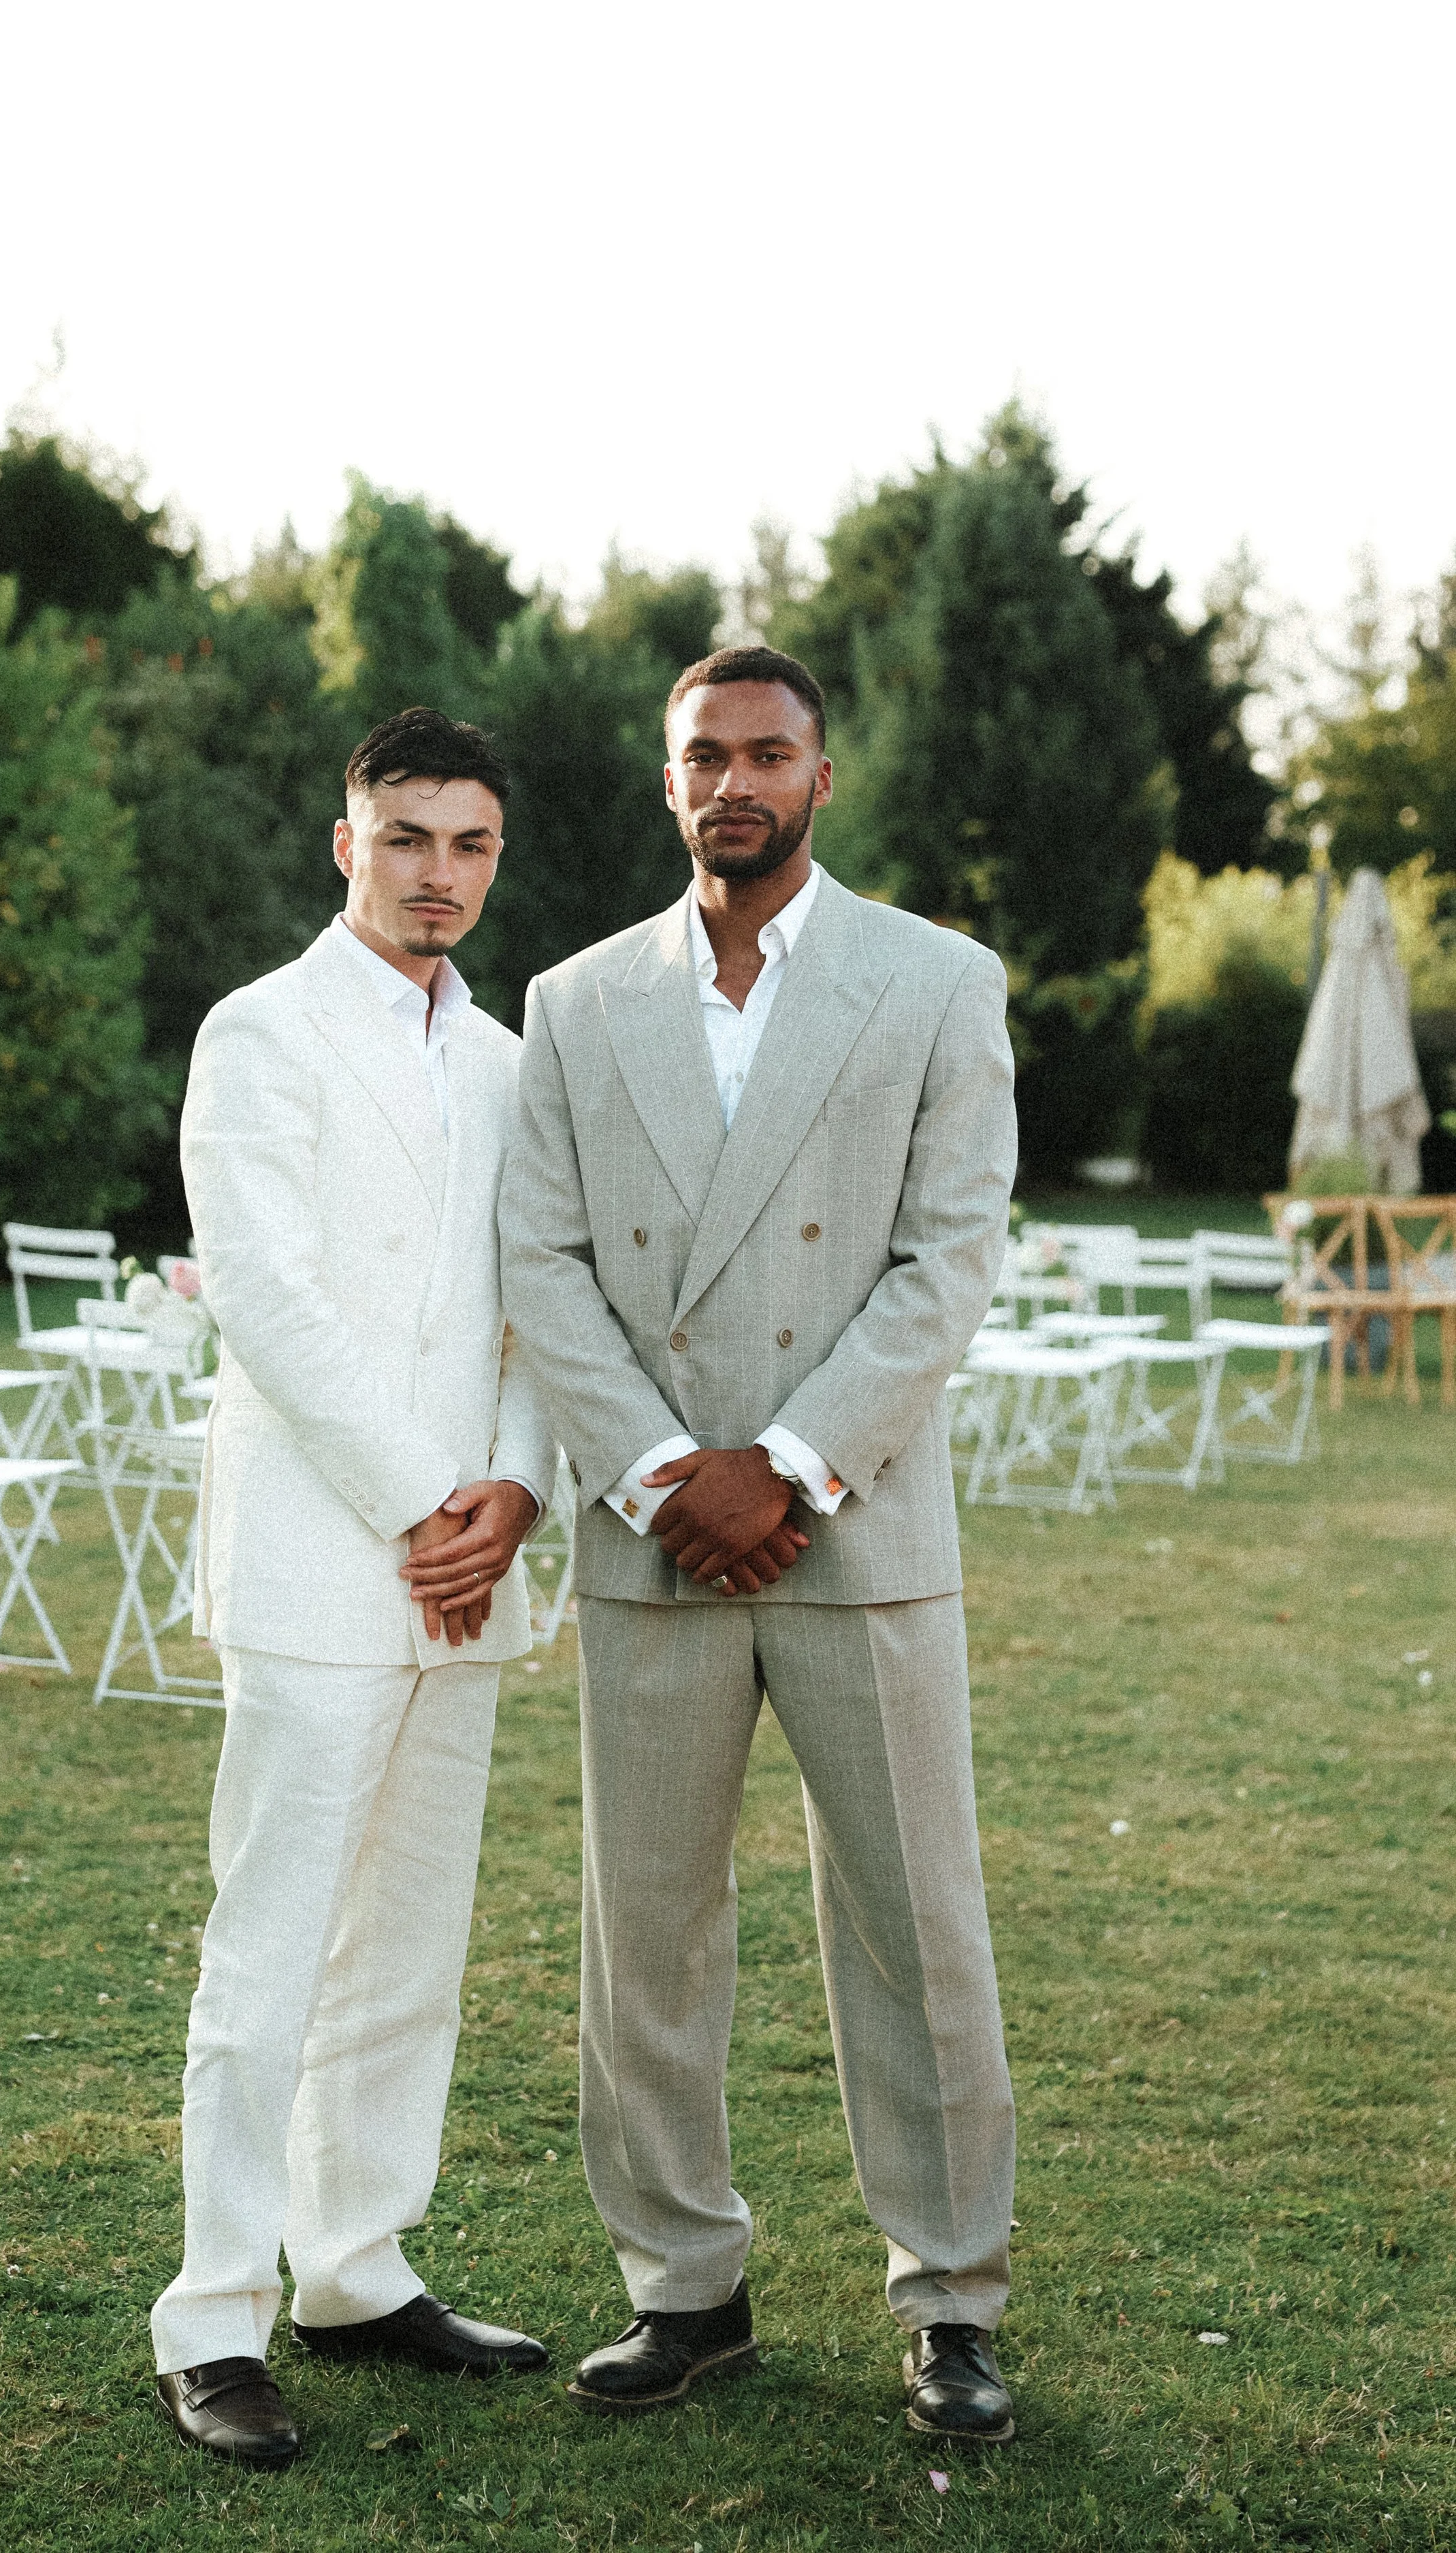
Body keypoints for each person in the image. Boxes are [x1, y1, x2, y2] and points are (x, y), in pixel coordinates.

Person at [498, 645, 1019, 2441]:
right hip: (655, 1541)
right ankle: (683, 2285)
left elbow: (946, 1256)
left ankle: (951, 2293)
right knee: (646, 1933)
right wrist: (664, 1470)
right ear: (668, 784)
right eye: (703, 755)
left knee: (913, 1923)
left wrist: (784, 1467)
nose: (735, 780)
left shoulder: (937, 982)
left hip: (852, 1531)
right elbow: (541, 1263)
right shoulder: (570, 1005)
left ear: (821, 772)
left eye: (767, 752)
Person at [152, 708, 557, 2469]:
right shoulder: (258, 1032)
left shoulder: (514, 1063)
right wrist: (422, 1502)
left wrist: (514, 1489)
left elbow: (551, 1292)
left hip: (468, 1580)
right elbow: (264, 1291)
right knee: (275, 1941)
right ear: (346, 842)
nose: (440, 874)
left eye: (468, 844)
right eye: (409, 838)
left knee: (410, 1942)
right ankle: (216, 2309)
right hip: (326, 1564)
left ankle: (356, 2261)